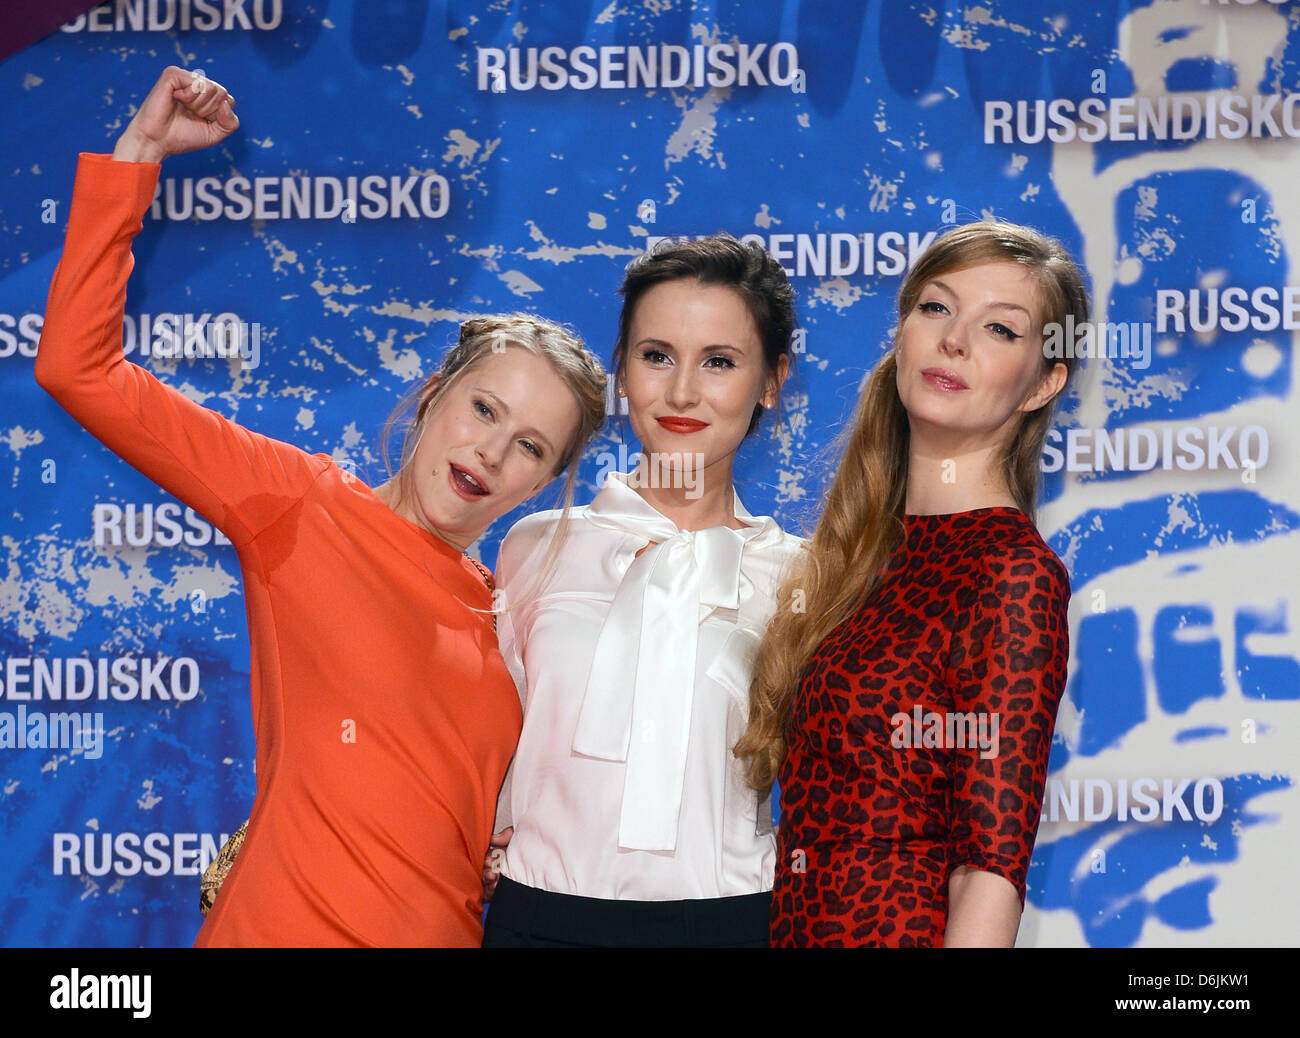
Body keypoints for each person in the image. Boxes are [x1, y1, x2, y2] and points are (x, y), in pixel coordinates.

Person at [34, 66, 607, 947]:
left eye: (530, 446)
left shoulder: (513, 620)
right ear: (432, 397)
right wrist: (140, 152)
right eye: (484, 410)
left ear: (544, 482)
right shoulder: (298, 506)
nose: (492, 451)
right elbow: (79, 369)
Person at [737, 221, 1085, 947]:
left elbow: (989, 866)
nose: (954, 340)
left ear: (1044, 382)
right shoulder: (858, 553)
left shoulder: (1012, 572)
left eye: (1000, 329)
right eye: (936, 308)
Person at [480, 235, 803, 947]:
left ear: (773, 380)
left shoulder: (806, 576)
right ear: (622, 369)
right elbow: (480, 738)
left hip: (734, 923)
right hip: (538, 919)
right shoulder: (534, 545)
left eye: (719, 362)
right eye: (657, 356)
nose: (682, 391)